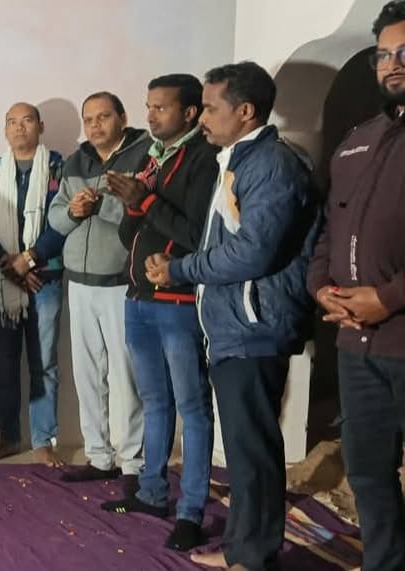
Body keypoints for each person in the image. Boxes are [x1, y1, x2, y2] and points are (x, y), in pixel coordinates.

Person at [145, 61, 319, 570]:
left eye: (211, 108)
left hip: (255, 327)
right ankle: (244, 548)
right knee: (243, 451)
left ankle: (255, 556)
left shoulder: (273, 165)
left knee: (254, 451)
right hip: (232, 326)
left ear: (245, 111)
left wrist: (180, 269)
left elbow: (253, 253)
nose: (202, 118)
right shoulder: (239, 159)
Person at [98, 74, 219, 552]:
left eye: (160, 107)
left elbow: (195, 233)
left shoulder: (204, 158)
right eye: (148, 107)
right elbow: (130, 236)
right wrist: (132, 205)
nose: (150, 116)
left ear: (190, 113)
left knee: (192, 407)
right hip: (139, 298)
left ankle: (191, 511)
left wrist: (143, 200)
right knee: (154, 401)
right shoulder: (154, 157)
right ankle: (151, 493)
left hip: (179, 301)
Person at [308, 3, 405, 569]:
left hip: (400, 335)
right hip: (355, 344)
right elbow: (330, 227)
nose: (392, 64)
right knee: (367, 470)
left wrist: (387, 299)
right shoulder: (358, 140)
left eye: (404, 53)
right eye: (383, 55)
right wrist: (322, 286)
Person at [46, 92, 150, 493]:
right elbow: (57, 216)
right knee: (87, 374)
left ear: (122, 117)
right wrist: (74, 211)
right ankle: (99, 457)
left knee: (126, 375)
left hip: (121, 282)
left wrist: (99, 207)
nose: (95, 125)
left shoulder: (143, 155)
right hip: (79, 282)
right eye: (89, 119)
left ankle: (132, 463)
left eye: (103, 117)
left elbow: (144, 214)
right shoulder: (77, 161)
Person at [0, 102, 66, 466]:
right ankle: (8, 437)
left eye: (26, 121)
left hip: (45, 280)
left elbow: (64, 222)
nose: (19, 127)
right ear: (5, 130)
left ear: (40, 126)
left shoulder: (60, 170)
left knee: (44, 364)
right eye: (12, 122)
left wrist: (32, 260)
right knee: (4, 364)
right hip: (1, 280)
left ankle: (43, 440)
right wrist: (6, 263)